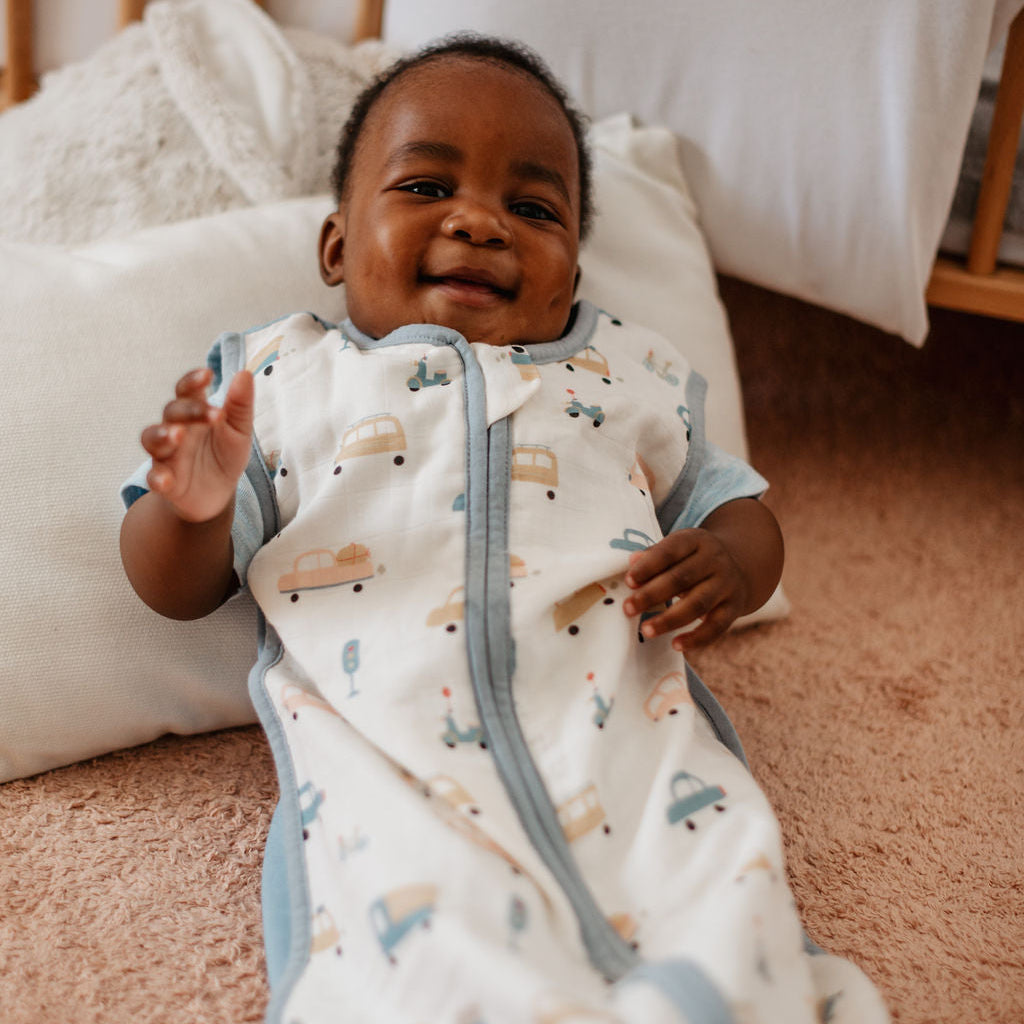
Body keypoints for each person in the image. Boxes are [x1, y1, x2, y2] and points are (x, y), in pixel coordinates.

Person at [121, 35, 886, 1024]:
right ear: (336, 246)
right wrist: (192, 507)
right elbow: (173, 586)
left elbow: (734, 506)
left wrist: (734, 559)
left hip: (621, 736)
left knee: (717, 905)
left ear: (570, 271)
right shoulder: (281, 381)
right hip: (390, 763)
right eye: (425, 186)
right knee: (426, 961)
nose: (479, 221)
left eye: (531, 208)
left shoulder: (623, 373)